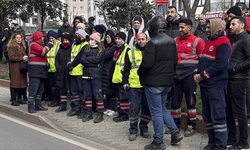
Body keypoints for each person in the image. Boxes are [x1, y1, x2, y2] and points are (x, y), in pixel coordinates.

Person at [138, 15, 183, 150]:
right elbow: (175, 62)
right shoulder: (171, 41)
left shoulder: (152, 42)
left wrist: (139, 72)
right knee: (162, 109)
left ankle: (158, 141)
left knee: (156, 112)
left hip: (153, 83)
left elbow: (147, 64)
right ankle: (175, 133)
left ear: (153, 27)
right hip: (167, 82)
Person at [194, 18, 231, 150]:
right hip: (206, 85)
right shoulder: (209, 42)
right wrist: (196, 72)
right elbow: (203, 61)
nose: (207, 30)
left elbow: (220, 65)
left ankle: (220, 146)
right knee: (208, 116)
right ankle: (212, 143)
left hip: (216, 85)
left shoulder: (224, 42)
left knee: (218, 116)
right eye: (207, 27)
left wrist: (202, 75)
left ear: (217, 28)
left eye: (209, 27)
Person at [171, 18, 205, 137]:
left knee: (191, 101)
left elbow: (203, 60)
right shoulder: (175, 41)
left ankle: (191, 126)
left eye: (182, 27)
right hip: (176, 75)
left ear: (189, 28)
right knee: (175, 102)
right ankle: (174, 126)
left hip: (190, 76)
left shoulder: (198, 41)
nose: (179, 30)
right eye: (179, 27)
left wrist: (198, 74)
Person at [227, 16, 250, 149]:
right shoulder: (236, 39)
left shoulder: (246, 39)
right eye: (230, 24)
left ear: (242, 25)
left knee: (240, 112)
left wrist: (235, 68)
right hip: (232, 79)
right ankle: (232, 139)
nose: (230, 27)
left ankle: (243, 142)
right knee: (229, 110)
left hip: (240, 80)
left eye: (233, 24)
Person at [123, 32, 151, 141]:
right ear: (136, 40)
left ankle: (144, 128)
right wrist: (125, 81)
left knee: (146, 108)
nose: (141, 41)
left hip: (148, 84)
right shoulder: (130, 52)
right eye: (139, 39)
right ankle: (133, 130)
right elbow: (126, 69)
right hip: (134, 84)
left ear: (147, 40)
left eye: (143, 39)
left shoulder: (151, 51)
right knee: (134, 108)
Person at [78, 32, 105, 123]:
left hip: (96, 75)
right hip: (86, 74)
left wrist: (88, 60)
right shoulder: (86, 48)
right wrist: (91, 62)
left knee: (97, 95)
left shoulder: (101, 50)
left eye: (92, 39)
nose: (90, 41)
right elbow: (82, 60)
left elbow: (98, 60)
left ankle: (100, 113)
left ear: (97, 41)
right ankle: (88, 113)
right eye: (90, 39)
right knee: (87, 95)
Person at [62, 29, 88, 116]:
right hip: (72, 71)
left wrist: (71, 64)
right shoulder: (74, 44)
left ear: (83, 36)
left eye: (78, 35)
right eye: (76, 34)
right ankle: (75, 108)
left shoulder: (85, 45)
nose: (76, 36)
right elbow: (70, 55)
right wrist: (69, 62)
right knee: (74, 92)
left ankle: (82, 109)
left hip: (80, 71)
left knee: (81, 92)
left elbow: (79, 57)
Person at [27, 31, 49, 113]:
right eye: (42, 37)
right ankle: (31, 107)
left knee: (40, 90)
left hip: (41, 71)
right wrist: (49, 45)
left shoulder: (38, 44)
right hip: (35, 71)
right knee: (33, 90)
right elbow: (43, 52)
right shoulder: (33, 45)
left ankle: (38, 105)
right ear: (38, 37)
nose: (43, 38)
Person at [112, 32, 130, 122]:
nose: (117, 40)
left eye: (119, 39)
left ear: (123, 39)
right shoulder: (117, 49)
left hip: (123, 77)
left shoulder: (127, 49)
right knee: (119, 98)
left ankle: (125, 115)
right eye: (116, 38)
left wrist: (125, 79)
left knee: (124, 98)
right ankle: (120, 113)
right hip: (117, 77)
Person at [7, 32, 28, 106]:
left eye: (20, 38)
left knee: (22, 83)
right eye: (17, 38)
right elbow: (11, 57)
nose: (19, 39)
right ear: (14, 39)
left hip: (22, 68)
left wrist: (25, 58)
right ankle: (13, 100)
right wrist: (21, 58)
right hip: (15, 67)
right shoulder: (11, 47)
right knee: (15, 83)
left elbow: (24, 54)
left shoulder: (22, 46)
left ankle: (19, 98)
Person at [55, 34, 73, 114]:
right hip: (61, 72)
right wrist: (58, 68)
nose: (65, 42)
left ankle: (74, 106)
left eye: (66, 40)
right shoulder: (60, 49)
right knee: (62, 88)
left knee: (71, 89)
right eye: (64, 40)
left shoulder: (71, 48)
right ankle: (63, 105)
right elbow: (56, 60)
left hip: (69, 71)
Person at [101, 30, 116, 115]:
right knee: (105, 90)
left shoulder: (113, 47)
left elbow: (107, 55)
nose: (107, 39)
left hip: (110, 70)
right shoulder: (106, 47)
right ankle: (108, 107)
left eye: (109, 37)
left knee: (111, 90)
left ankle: (113, 108)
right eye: (106, 37)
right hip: (104, 70)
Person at [46, 31, 61, 107]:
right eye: (50, 38)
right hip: (50, 69)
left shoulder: (59, 45)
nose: (51, 40)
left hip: (56, 69)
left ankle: (57, 100)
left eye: (52, 38)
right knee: (52, 86)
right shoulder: (49, 45)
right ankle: (54, 100)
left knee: (57, 86)